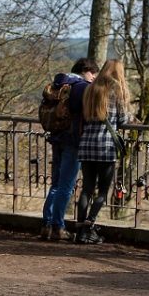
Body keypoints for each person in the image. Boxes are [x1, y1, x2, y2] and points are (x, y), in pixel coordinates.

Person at [40, 58, 99, 241]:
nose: (94, 78)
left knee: (56, 184)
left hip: (56, 137)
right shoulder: (81, 87)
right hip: (73, 140)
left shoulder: (60, 84)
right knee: (66, 185)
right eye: (94, 74)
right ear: (87, 71)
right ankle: (58, 227)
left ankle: (47, 225)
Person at [75, 59, 131, 244]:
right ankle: (90, 226)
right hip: (106, 146)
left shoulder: (91, 88)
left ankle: (80, 228)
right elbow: (122, 120)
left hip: (87, 144)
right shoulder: (116, 90)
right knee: (102, 192)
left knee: (87, 190)